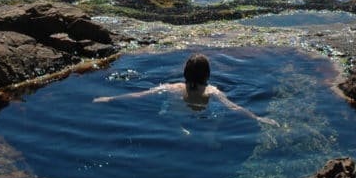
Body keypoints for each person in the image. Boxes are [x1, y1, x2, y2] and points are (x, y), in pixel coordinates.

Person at [94, 53, 279, 127]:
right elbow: (235, 108)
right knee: (217, 117)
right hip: (199, 119)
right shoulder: (213, 91)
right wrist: (258, 118)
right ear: (207, 75)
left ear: (184, 74)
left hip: (171, 118)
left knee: (169, 111)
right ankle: (210, 138)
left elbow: (139, 94)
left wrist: (110, 98)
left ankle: (178, 128)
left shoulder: (172, 87)